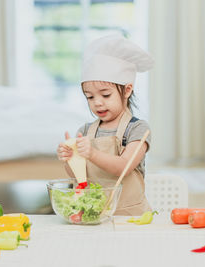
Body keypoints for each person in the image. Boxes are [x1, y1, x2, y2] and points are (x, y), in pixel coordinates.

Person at [57, 35, 154, 215]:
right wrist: (71, 159)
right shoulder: (85, 131)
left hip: (129, 217)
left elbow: (123, 167)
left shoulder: (138, 129)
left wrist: (92, 153)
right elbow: (77, 177)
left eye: (105, 95)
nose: (98, 103)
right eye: (90, 97)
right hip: (93, 215)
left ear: (127, 90)